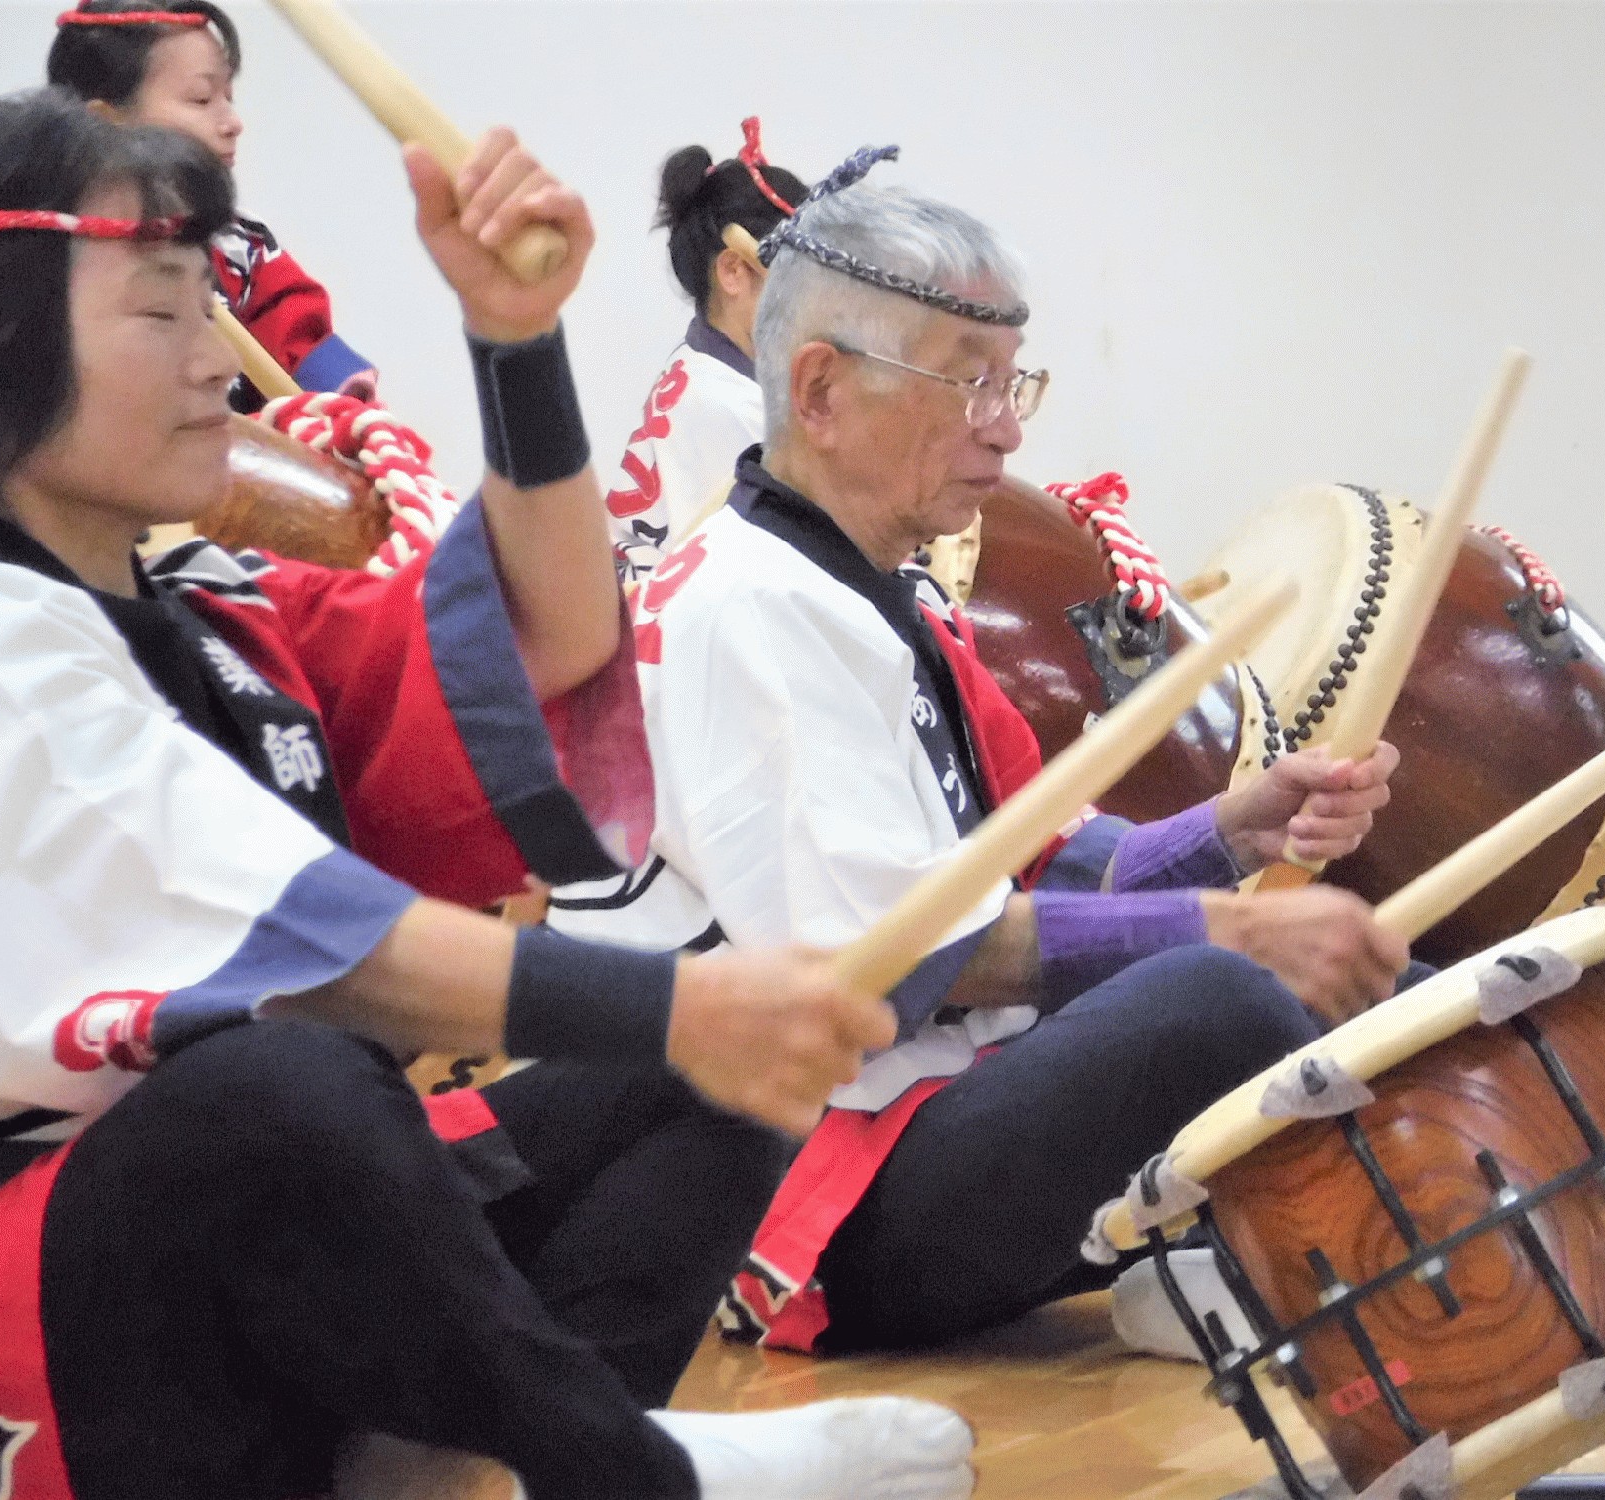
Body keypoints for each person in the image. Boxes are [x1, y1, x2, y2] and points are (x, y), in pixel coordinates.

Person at [0, 91, 975, 1500]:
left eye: (210, 306)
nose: (220, 361)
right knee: (284, 1076)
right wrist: (689, 1003)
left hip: (262, 1250)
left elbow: (549, 638)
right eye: (160, 315)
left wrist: (515, 338)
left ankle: (478, 1466)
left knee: (690, 1082)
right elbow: (306, 945)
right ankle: (612, 1468)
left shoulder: (218, 618)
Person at [548, 149, 1412, 1357]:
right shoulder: (746, 609)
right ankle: (1388, 1263)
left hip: (939, 1109)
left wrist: (1233, 831)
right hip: (820, 1194)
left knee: (1396, 982)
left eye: (1017, 384)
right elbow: (897, 959)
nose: (1006, 432)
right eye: (968, 384)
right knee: (1220, 992)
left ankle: (1488, 1210)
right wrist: (1223, 928)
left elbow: (1035, 860)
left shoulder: (878, 589)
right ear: (819, 389)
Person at [49, 0, 378, 404]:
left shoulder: (241, 243)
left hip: (244, 454)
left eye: (229, 97)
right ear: (105, 119)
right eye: (202, 100)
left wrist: (344, 407)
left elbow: (300, 336)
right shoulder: (52, 255)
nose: (232, 123)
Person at [606, 119, 806, 582]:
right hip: (660, 640)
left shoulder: (703, 368)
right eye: (800, 271)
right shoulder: (732, 407)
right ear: (735, 270)